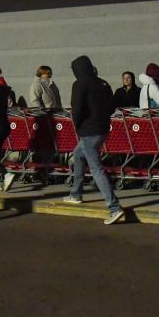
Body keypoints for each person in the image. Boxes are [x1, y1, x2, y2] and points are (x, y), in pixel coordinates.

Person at [63, 55, 125, 225]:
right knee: (78, 155)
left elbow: (77, 109)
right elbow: (112, 106)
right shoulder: (102, 83)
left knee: (96, 169)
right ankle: (76, 193)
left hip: (88, 131)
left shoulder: (80, 84)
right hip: (103, 129)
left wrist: (78, 126)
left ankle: (114, 207)